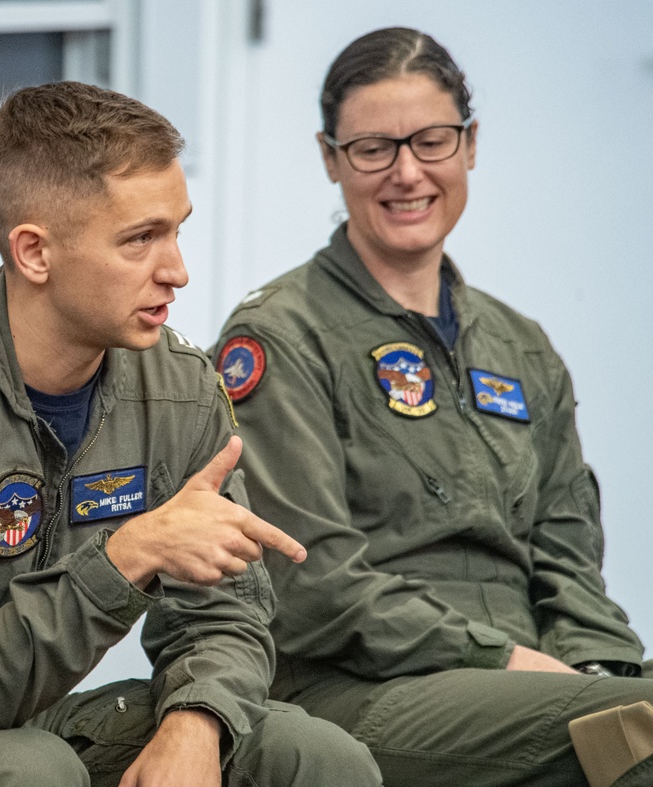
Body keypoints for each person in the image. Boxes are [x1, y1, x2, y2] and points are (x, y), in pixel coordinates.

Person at [0, 81, 382, 786]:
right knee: (32, 770)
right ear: (34, 254)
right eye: (141, 239)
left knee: (309, 753)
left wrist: (196, 721)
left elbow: (226, 614)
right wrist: (129, 552)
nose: (177, 270)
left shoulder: (174, 387)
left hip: (25, 725)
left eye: (176, 230)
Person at [213, 26, 653, 787]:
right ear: (330, 158)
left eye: (432, 140)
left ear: (471, 144)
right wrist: (507, 660)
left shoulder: (522, 345)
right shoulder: (281, 336)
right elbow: (309, 582)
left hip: (527, 679)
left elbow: (570, 563)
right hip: (357, 693)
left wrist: (597, 669)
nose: (407, 172)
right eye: (373, 148)